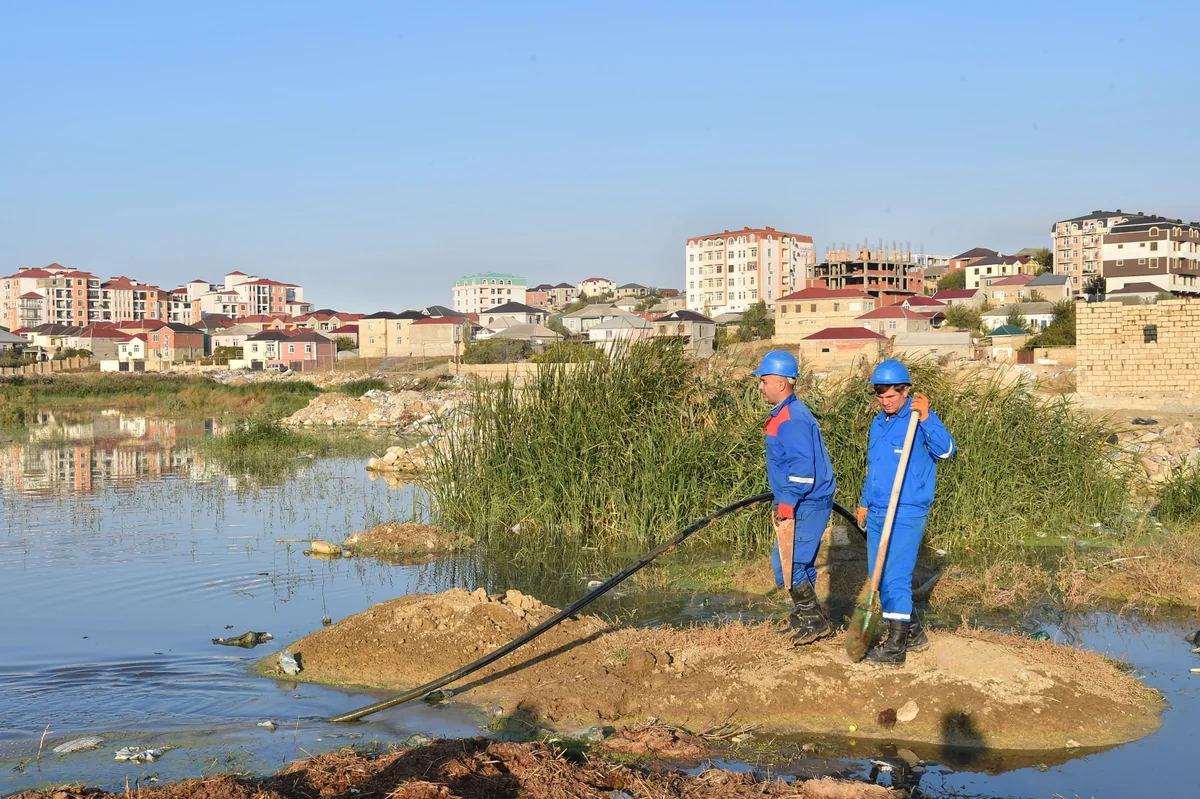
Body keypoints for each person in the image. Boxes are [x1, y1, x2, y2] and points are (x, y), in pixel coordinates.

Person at [856, 359, 956, 665]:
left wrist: (926, 418)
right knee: (880, 576)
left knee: (895, 578)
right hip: (877, 511)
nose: (885, 402)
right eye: (880, 396)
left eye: (891, 396)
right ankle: (913, 633)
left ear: (905, 390)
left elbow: (946, 450)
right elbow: (876, 469)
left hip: (906, 511)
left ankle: (895, 648)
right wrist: (864, 501)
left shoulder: (918, 419)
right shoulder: (879, 423)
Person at [752, 350, 837, 646]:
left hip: (806, 501)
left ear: (780, 383)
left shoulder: (791, 418)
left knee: (789, 565)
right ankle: (803, 619)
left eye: (763, 381)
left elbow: (802, 468)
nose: (760, 387)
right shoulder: (785, 414)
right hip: (800, 499)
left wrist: (787, 501)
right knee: (796, 564)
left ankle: (815, 622)